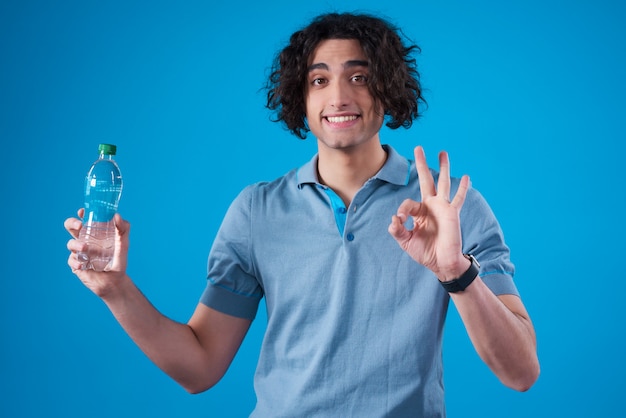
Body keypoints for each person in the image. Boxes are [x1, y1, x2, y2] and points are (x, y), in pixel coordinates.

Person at [65, 12, 539, 417]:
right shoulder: (257, 210)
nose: (338, 97)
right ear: (302, 100)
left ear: (389, 90)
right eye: (319, 80)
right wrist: (116, 290)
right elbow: (200, 367)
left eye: (359, 76)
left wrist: (456, 273)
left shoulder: (451, 207)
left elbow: (521, 372)